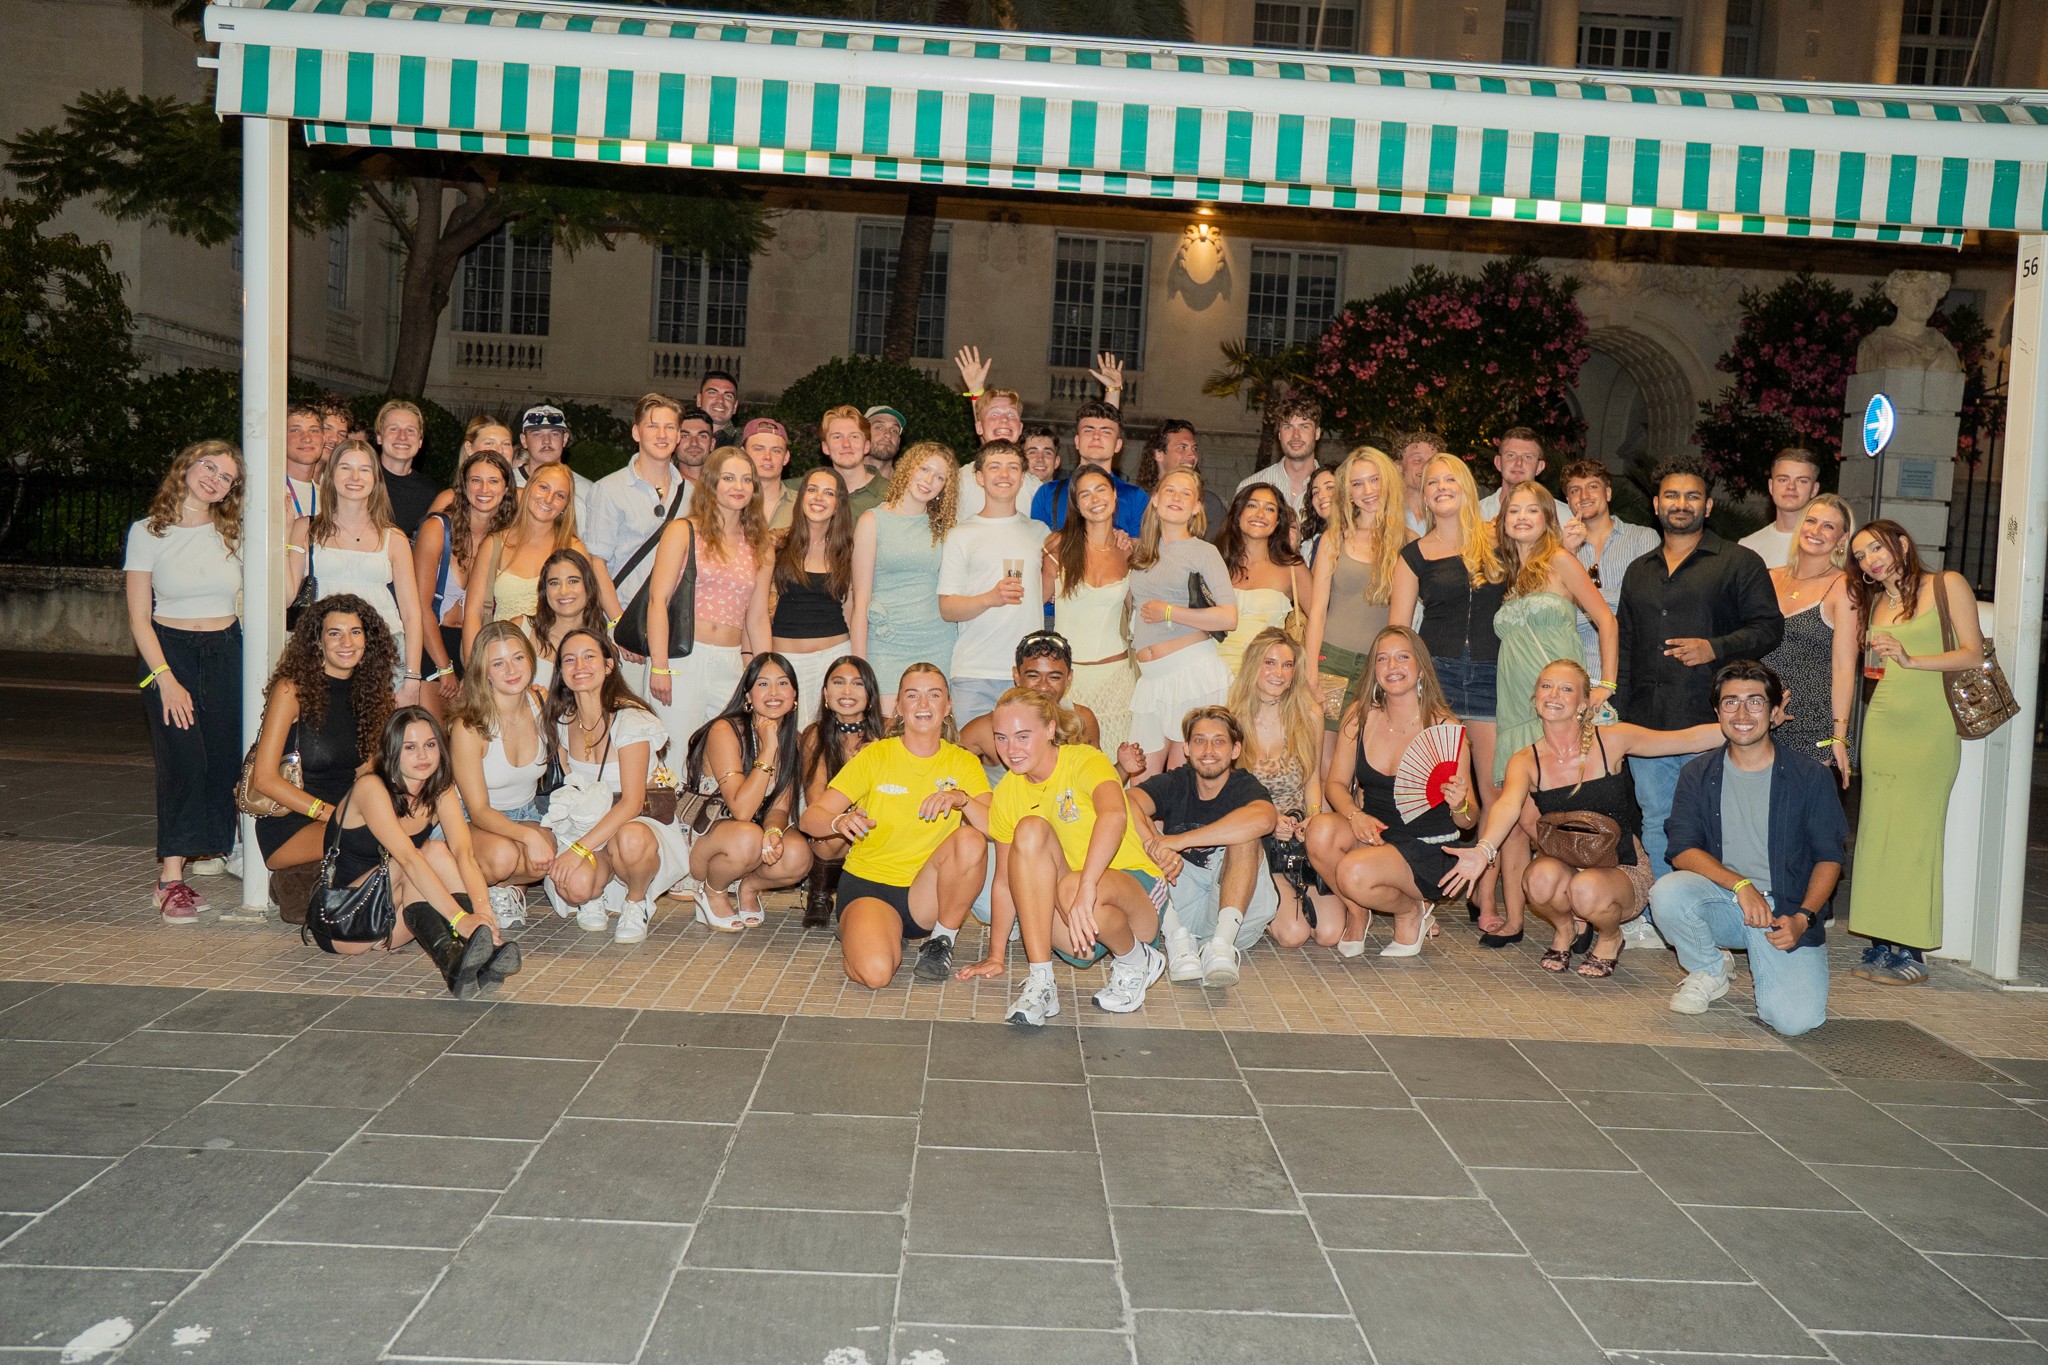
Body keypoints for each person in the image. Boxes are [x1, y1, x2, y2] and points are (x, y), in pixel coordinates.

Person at [1441, 660, 1721, 977]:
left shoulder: (1611, 740)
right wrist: (1484, 849)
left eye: (1566, 688)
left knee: (1586, 888)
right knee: (1537, 879)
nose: (1553, 695)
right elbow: (1507, 806)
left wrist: (1748, 723)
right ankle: (1564, 930)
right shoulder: (1525, 759)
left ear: (1583, 703)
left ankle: (1611, 936)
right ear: (1535, 698)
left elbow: (1686, 739)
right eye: (1546, 686)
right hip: (1565, 861)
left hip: (1621, 867)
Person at [1653, 661, 1845, 1036]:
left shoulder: (1811, 776)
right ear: (1717, 712)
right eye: (1730, 703)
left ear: (1775, 713)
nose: (1742, 714)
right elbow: (1682, 849)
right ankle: (1710, 969)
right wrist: (1741, 886)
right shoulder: (1699, 773)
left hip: (1784, 912)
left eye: (1755, 703)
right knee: (1667, 892)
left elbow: (1830, 856)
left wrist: (1804, 917)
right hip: (1727, 901)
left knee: (1795, 1022)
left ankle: (1769, 959)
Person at [956, 688, 1167, 1025]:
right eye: (1001, 738)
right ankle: (1042, 983)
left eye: (1023, 736)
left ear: (1050, 730)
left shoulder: (1084, 759)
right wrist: (996, 955)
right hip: (1080, 920)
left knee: (1070, 888)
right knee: (1029, 829)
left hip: (1136, 896)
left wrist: (1085, 888)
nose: (1012, 749)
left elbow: (1114, 815)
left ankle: (1137, 961)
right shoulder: (1010, 789)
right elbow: (1006, 882)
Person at [1615, 457, 1783, 877]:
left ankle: (1717, 910)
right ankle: (1659, 913)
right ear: (1656, 504)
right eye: (1672, 495)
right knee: (1656, 818)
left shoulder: (1738, 562)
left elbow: (1769, 628)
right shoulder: (1638, 571)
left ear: (1708, 506)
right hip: (1647, 723)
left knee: (1714, 824)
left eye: (1693, 496)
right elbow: (1626, 643)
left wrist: (1715, 647)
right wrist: (1618, 712)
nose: (1681, 504)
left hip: (1710, 720)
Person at [1846, 519, 1983, 985]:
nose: (1870, 560)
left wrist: (1911, 659)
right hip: (1884, 721)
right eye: (1861, 556)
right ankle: (1880, 943)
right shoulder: (1877, 602)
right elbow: (1876, 670)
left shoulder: (1947, 585)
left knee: (1916, 837)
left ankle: (1911, 950)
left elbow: (1972, 653)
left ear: (1902, 542)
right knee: (1877, 834)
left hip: (1931, 726)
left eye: (1876, 548)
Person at [799, 664, 991, 987]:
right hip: (869, 885)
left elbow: (994, 827)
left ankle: (940, 940)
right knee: (876, 975)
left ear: (947, 707)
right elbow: (810, 819)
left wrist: (963, 800)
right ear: (898, 707)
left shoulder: (964, 762)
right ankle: (866, 934)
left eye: (934, 696)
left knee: (971, 839)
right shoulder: (876, 755)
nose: (923, 705)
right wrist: (839, 819)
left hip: (925, 896)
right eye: (912, 696)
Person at [1486, 481, 1619, 944]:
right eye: (1512, 511)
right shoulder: (1510, 575)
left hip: (1559, 702)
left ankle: (1583, 908)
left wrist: (1606, 683)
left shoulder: (1561, 561)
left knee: (1571, 808)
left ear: (1547, 518)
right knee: (1519, 817)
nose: (1521, 517)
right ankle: (1518, 918)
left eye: (1531, 510)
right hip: (1514, 702)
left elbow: (1606, 619)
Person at [318, 707, 519, 999]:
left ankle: (458, 959)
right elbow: (410, 861)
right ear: (391, 752)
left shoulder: (438, 787)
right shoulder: (370, 787)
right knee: (414, 857)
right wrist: (461, 920)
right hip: (345, 923)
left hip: (391, 927)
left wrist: (484, 916)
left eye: (430, 745)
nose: (422, 756)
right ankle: (458, 949)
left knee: (438, 850)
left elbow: (464, 853)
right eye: (409, 747)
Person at [125, 439, 244, 922]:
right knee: (182, 760)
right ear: (187, 466)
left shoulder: (234, 532)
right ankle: (170, 879)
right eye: (209, 467)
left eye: (226, 477)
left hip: (225, 651)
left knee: (221, 761)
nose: (214, 478)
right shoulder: (148, 531)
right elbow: (138, 618)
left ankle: (216, 847)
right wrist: (165, 680)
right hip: (168, 652)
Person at [1306, 626, 1478, 957]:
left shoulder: (1446, 727)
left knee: (1353, 872)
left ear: (1420, 667)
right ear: (1373, 669)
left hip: (1427, 849)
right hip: (1377, 834)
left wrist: (1460, 805)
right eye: (1382, 659)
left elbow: (1469, 822)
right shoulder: (1360, 715)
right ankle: (1357, 913)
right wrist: (1355, 816)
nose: (1392, 667)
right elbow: (1336, 785)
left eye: (1402, 657)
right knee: (1319, 831)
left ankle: (1411, 911)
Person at [1390, 454, 1507, 918]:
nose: (1440, 486)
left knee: (1491, 791)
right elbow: (1398, 630)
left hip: (1491, 674)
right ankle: (1424, 894)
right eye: (1431, 480)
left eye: (1449, 479)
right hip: (1435, 677)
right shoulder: (1413, 554)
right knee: (1432, 789)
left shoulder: (1499, 542)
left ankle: (1486, 895)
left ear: (1466, 487)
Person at [542, 627, 692, 943]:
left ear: (609, 664)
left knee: (631, 838)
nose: (579, 666)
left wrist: (579, 850)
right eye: (569, 659)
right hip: (589, 823)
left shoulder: (630, 719)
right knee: (574, 886)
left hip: (636, 824)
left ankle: (636, 901)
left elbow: (632, 802)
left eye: (589, 657)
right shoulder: (563, 720)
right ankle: (595, 893)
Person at [250, 596, 398, 896]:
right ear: (318, 642)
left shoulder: (370, 694)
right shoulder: (292, 690)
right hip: (293, 822)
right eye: (335, 633)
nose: (347, 642)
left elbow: (368, 774)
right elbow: (263, 779)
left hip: (349, 816)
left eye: (356, 632)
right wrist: (331, 814)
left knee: (415, 828)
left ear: (368, 640)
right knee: (384, 840)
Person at [1126, 708, 1279, 988]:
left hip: (1236, 913)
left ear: (1235, 750)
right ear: (1186, 748)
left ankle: (1221, 946)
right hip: (1179, 900)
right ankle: (1176, 940)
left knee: (1245, 836)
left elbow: (1265, 818)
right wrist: (1154, 845)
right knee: (1127, 825)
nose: (1208, 750)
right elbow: (1127, 801)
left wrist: (1180, 840)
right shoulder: (1176, 781)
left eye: (1219, 741)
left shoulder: (1244, 785)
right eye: (1199, 741)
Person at [644, 447, 773, 752]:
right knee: (673, 755)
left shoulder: (761, 546)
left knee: (725, 757)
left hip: (731, 662)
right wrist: (659, 667)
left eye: (746, 480)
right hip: (682, 658)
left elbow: (757, 618)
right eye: (728, 478)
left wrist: (764, 674)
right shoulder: (683, 530)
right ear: (712, 483)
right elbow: (657, 601)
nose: (738, 487)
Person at [288, 437, 426, 703]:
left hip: (384, 652)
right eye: (345, 467)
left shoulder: (394, 538)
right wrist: (288, 534)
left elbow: (411, 613)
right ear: (330, 475)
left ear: (376, 479)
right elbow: (286, 597)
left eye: (364, 469)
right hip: (324, 651)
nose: (355, 477)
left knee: (377, 740)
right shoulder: (306, 528)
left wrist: (412, 677)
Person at [683, 652, 813, 931]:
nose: (774, 693)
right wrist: (768, 749)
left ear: (795, 696)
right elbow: (741, 809)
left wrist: (774, 832)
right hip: (707, 836)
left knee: (798, 855)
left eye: (783, 683)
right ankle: (712, 890)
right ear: (748, 696)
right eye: (763, 684)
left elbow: (779, 807)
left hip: (749, 836)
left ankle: (748, 887)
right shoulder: (725, 730)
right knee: (749, 838)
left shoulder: (794, 740)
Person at [1227, 628, 1335, 950]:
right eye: (1270, 663)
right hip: (1255, 837)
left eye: (1287, 665)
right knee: (1293, 935)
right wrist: (1270, 820)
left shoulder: (1309, 715)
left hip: (1299, 833)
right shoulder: (1232, 719)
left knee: (1329, 933)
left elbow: (1312, 779)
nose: (1279, 673)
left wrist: (1311, 820)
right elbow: (1226, 794)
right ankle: (1256, 901)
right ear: (1253, 666)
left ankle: (1280, 899)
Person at [1125, 469, 1237, 775]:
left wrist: (1170, 612)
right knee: (1140, 781)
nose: (1176, 498)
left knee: (1180, 781)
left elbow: (1229, 616)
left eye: (1186, 493)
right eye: (1170, 490)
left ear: (1197, 507)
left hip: (1192, 676)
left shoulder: (1204, 552)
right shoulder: (1141, 553)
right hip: (1151, 681)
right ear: (1155, 500)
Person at [449, 620, 556, 931]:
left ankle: (502, 887)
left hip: (525, 810)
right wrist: (527, 836)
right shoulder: (469, 727)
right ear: (484, 672)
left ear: (531, 660)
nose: (511, 669)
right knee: (503, 856)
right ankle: (485, 886)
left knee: (547, 855)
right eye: (499, 662)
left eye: (518, 658)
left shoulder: (540, 702)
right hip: (472, 818)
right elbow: (479, 810)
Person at [1303, 447, 1407, 758]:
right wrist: (1309, 671)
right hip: (1331, 661)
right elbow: (1317, 612)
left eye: (1374, 480)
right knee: (1324, 761)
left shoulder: (1409, 541)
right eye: (1358, 484)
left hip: (1381, 667)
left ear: (1387, 482)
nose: (1368, 491)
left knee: (1369, 762)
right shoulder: (1335, 539)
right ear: (1348, 492)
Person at [461, 463, 620, 665]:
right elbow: (473, 612)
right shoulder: (494, 545)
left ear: (566, 506)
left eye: (560, 495)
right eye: (543, 487)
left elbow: (587, 611)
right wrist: (474, 668)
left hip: (560, 662)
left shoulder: (573, 549)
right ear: (528, 488)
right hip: (505, 661)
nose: (549, 499)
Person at [938, 440, 1052, 722]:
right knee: (969, 762)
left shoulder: (1040, 532)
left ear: (1023, 477)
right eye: (995, 467)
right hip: (975, 671)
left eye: (1013, 467)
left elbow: (1041, 595)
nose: (1004, 474)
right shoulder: (960, 534)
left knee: (1023, 762)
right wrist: (991, 597)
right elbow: (947, 608)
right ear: (979, 477)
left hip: (1027, 673)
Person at [850, 441, 959, 719]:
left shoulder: (945, 528)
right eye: (924, 469)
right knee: (886, 734)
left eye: (939, 477)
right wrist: (859, 666)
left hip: (937, 642)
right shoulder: (872, 521)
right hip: (886, 644)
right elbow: (859, 601)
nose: (929, 480)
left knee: (932, 734)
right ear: (908, 468)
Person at [1763, 493, 1859, 786]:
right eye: (1811, 521)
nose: (1816, 531)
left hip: (1811, 726)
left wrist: (1839, 736)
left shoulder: (1844, 587)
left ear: (1842, 540)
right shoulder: (1767, 577)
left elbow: (1844, 667)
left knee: (1797, 823)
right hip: (1759, 717)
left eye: (1828, 527)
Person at [413, 448, 516, 719]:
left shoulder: (506, 539)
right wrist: (444, 668)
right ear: (464, 485)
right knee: (432, 740)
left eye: (494, 481)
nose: (484, 489)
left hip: (476, 648)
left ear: (506, 489)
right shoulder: (437, 529)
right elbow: (419, 606)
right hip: (430, 644)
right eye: (476, 480)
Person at [582, 394, 688, 656]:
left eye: (670, 427)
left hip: (675, 628)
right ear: (636, 432)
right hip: (624, 622)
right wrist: (619, 626)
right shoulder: (608, 490)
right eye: (652, 426)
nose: (661, 435)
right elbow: (597, 563)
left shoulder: (695, 496)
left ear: (678, 436)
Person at [1044, 467, 1135, 753]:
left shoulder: (1128, 550)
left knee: (1114, 765)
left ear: (1114, 494)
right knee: (1067, 764)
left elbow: (1137, 613)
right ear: (1077, 504)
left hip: (1117, 679)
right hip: (1070, 679)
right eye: (1085, 494)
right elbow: (1035, 604)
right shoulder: (1058, 545)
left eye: (1100, 489)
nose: (1094, 499)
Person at [797, 655, 887, 927]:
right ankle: (820, 893)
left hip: (880, 823)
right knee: (832, 836)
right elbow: (816, 803)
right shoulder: (815, 734)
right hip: (835, 828)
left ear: (870, 694)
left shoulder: (889, 731)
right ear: (825, 692)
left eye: (857, 684)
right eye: (838, 683)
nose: (847, 692)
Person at [767, 467, 855, 724]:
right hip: (786, 660)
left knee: (833, 742)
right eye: (812, 490)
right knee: (788, 741)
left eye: (829, 493)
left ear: (838, 505)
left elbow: (851, 609)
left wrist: (854, 663)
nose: (819, 498)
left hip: (835, 657)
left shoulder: (847, 549)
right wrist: (762, 661)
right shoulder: (775, 543)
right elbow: (758, 610)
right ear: (801, 497)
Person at [1559, 459, 1659, 677]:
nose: (1584, 496)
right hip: (1573, 670)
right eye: (1575, 490)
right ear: (1568, 501)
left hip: (1628, 668)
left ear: (1609, 493)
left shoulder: (1642, 538)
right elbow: (1557, 615)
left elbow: (1646, 602)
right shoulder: (1558, 551)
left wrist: (1582, 604)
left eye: (1592, 486)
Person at [958, 632, 1102, 766]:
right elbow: (945, 769)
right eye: (1033, 676)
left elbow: (1103, 779)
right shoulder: (986, 728)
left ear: (1068, 678)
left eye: (1054, 677)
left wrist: (1123, 766)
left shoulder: (1082, 720)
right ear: (1017, 676)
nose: (1043, 687)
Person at [1214, 483, 1305, 674]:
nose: (1260, 513)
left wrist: (1306, 670)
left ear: (1278, 521)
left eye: (1270, 509)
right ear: (1238, 513)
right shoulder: (1213, 561)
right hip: (1210, 676)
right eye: (1252, 505)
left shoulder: (1292, 568)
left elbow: (1320, 619)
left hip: (1264, 681)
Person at [1030, 399, 1146, 537]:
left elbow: (1142, 551)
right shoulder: (1047, 493)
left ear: (1118, 445)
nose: (1096, 436)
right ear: (1077, 442)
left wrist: (1123, 543)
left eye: (1106, 432)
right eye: (1088, 430)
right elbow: (1036, 549)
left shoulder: (1136, 497)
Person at [515, 548, 608, 692]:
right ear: (544, 591)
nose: (563, 591)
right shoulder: (520, 630)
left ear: (588, 587)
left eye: (573, 581)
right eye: (554, 583)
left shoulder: (604, 644)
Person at [1235, 396, 1324, 519]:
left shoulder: (1336, 491)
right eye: (1288, 427)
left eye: (1304, 426)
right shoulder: (1250, 487)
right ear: (1279, 434)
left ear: (1317, 433)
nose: (1296, 435)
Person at [1136, 420, 1225, 540]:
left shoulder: (1211, 504)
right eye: (1182, 447)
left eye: (1194, 448)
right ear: (1159, 454)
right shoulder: (1138, 503)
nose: (1192, 456)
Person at [1739, 448, 1824, 568]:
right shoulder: (1747, 546)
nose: (1791, 487)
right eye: (1783, 480)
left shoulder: (1825, 544)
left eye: (1802, 481)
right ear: (1771, 486)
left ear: (1814, 489)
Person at [515, 404, 594, 524]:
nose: (546, 441)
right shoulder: (506, 482)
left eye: (554, 434)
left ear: (565, 439)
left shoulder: (587, 490)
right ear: (524, 440)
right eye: (537, 434)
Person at [371, 400, 440, 537]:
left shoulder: (431, 494)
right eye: (393, 429)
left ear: (420, 441)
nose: (402, 436)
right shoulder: (361, 480)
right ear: (379, 437)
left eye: (410, 430)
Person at [820, 405, 888, 519]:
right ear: (825, 447)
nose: (846, 444)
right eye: (837, 437)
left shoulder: (891, 495)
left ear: (866, 446)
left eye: (854, 436)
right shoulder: (809, 493)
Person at [1477, 427, 1548, 520]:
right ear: (1498, 463)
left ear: (1539, 467)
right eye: (1511, 455)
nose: (1518, 462)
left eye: (1527, 457)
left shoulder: (1562, 516)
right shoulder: (1476, 514)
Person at [743, 418, 797, 530]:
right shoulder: (728, 502)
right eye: (759, 449)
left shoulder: (803, 504)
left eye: (776, 450)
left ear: (786, 457)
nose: (767, 456)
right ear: (743, 454)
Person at [1393, 431, 1446, 536]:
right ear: (1398, 466)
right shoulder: (1383, 512)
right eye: (1417, 460)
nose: (1426, 466)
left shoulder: (1449, 513)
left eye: (1432, 461)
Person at [284, 401, 324, 524]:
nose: (306, 438)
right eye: (295, 430)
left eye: (314, 430)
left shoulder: (330, 499)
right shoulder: (266, 490)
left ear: (323, 439)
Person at [674, 404, 716, 506]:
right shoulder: (663, 485)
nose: (694, 443)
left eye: (702, 436)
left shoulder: (727, 488)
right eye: (685, 435)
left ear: (712, 444)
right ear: (674, 442)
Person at [1297, 466, 1337, 564]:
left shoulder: (1365, 534)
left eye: (1330, 487)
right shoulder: (1310, 547)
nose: (1321, 496)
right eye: (1315, 492)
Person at [696, 369, 742, 446]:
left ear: (734, 406)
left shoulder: (746, 441)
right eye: (712, 393)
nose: (720, 400)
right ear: (699, 400)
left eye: (728, 396)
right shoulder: (679, 435)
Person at [864, 404, 905, 481]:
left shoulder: (905, 487)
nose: (888, 435)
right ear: (863, 434)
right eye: (879, 427)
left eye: (894, 431)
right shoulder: (839, 481)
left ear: (899, 442)